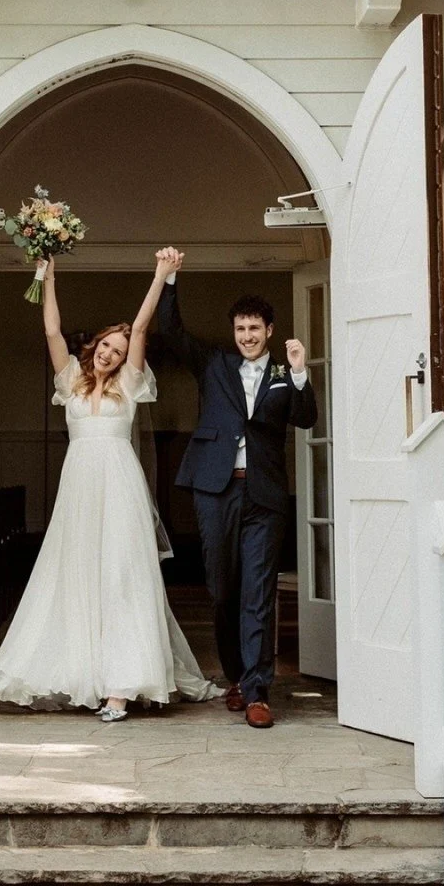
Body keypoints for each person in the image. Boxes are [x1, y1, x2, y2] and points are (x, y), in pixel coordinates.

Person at [0, 250, 217, 718]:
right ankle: (84, 673)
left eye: (118, 348)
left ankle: (120, 687)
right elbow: (52, 330)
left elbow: (143, 326)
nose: (111, 353)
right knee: (76, 576)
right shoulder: (70, 379)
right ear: (94, 348)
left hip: (119, 486)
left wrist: (159, 277)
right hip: (79, 489)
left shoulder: (130, 384)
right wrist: (48, 276)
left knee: (121, 578)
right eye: (106, 346)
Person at [156, 255, 316, 730]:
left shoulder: (285, 374)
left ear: (269, 330)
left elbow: (306, 418)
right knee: (223, 589)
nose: (247, 336)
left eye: (254, 328)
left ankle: (259, 690)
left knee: (257, 592)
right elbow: (171, 330)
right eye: (240, 328)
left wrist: (301, 371)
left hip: (264, 496)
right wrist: (169, 278)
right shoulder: (214, 363)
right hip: (215, 490)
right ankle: (236, 677)